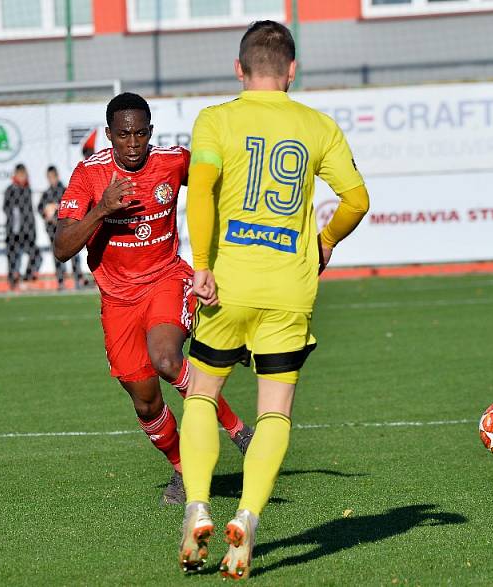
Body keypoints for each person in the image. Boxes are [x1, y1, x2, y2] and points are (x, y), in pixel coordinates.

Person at [177, 21, 370, 579]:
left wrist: (204, 266)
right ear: (291, 71)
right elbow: (356, 199)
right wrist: (325, 242)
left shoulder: (216, 119)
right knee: (275, 412)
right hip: (289, 288)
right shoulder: (317, 125)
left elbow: (205, 192)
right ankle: (250, 516)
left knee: (202, 396)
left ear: (239, 69)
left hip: (228, 285)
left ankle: (196, 507)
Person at [54, 92, 254, 505]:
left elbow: (217, 178)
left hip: (165, 277)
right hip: (118, 299)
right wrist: (101, 211)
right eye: (124, 135)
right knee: (145, 403)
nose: (133, 143)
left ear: (150, 132)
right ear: (109, 135)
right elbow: (61, 248)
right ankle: (185, 471)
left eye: (141, 133)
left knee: (165, 359)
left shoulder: (171, 161)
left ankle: (238, 431)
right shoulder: (89, 176)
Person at [37, 165, 84, 290]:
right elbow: (40, 208)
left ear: (57, 176)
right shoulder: (46, 194)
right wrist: (46, 214)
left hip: (66, 228)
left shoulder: (64, 190)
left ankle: (77, 277)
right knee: (57, 255)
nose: (51, 180)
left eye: (53, 177)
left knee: (73, 253)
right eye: (49, 178)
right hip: (52, 230)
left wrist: (57, 209)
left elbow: (72, 206)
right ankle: (60, 280)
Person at [3, 163, 41, 289]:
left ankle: (26, 278)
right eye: (21, 175)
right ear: (16, 175)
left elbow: (30, 212)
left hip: (27, 232)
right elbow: (7, 209)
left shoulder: (27, 190)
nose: (24, 177)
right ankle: (13, 280)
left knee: (36, 255)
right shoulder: (10, 190)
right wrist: (15, 226)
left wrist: (32, 230)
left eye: (25, 175)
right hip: (14, 232)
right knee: (13, 258)